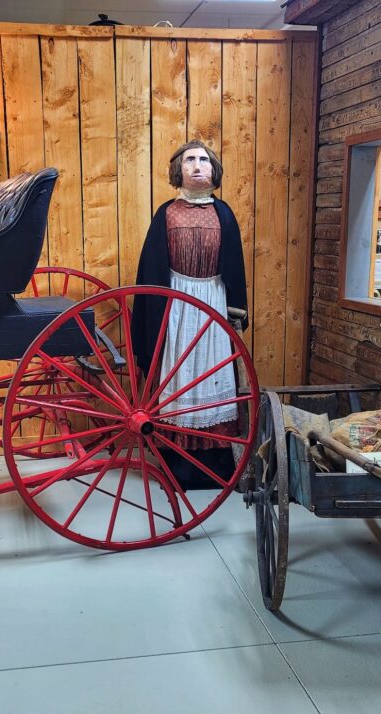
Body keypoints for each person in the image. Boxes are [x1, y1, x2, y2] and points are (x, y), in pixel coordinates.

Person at [130, 140, 248, 489]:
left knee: (213, 377)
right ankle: (177, 463)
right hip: (177, 305)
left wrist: (234, 311)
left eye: (203, 160)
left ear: (214, 170)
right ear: (178, 170)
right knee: (178, 377)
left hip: (212, 301)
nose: (197, 166)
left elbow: (235, 269)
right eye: (189, 160)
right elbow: (150, 270)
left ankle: (216, 464)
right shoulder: (166, 213)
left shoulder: (224, 213)